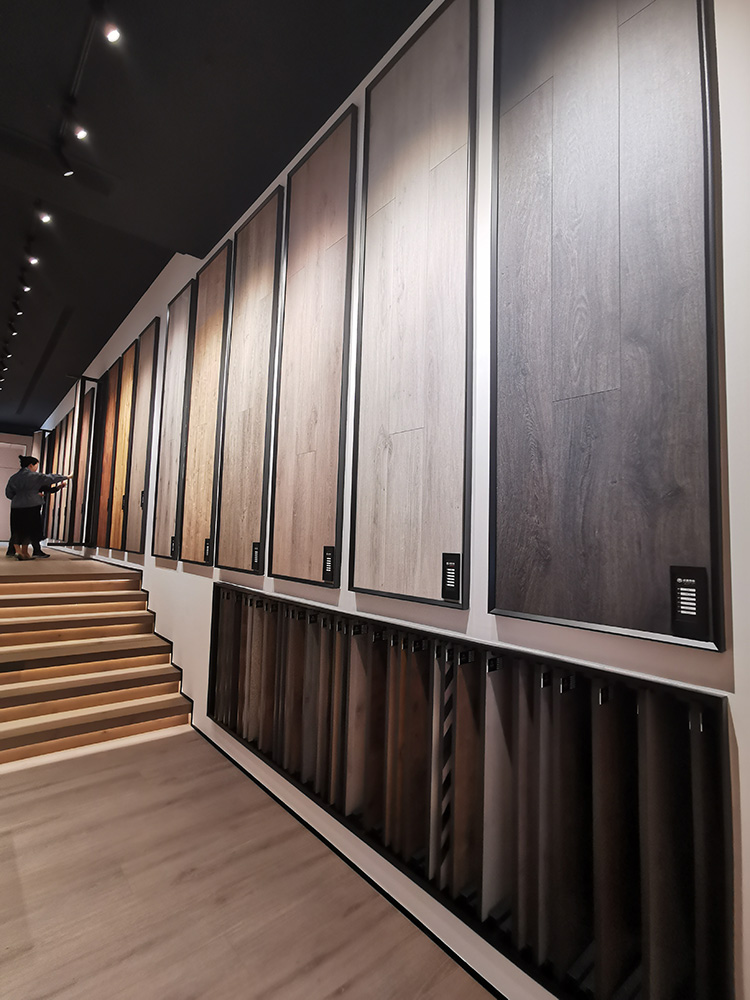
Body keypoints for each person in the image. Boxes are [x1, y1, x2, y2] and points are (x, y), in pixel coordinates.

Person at [5, 456, 69, 560]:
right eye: (36, 466)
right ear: (31, 465)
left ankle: (18, 551)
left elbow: (8, 493)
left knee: (16, 528)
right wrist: (65, 477)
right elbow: (50, 478)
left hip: (16, 506)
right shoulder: (34, 476)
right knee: (29, 529)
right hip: (32, 506)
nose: (36, 469)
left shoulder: (14, 477)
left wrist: (18, 497)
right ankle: (24, 552)